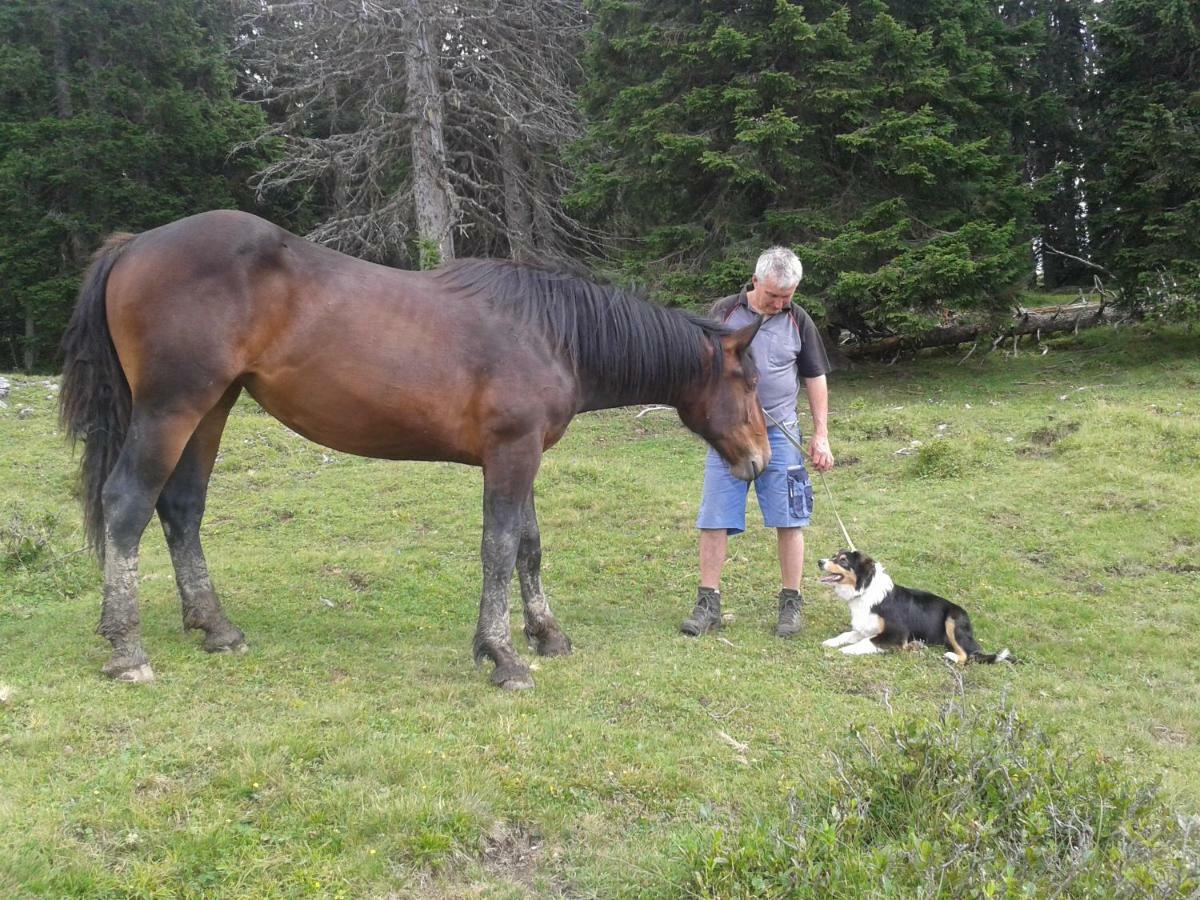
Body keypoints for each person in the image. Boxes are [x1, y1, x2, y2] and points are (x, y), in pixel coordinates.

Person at [681, 247, 834, 638]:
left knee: (790, 518)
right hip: (732, 434)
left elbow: (815, 377)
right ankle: (707, 603)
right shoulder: (724, 312)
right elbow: (698, 364)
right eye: (773, 296)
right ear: (754, 282)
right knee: (714, 516)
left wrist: (821, 436)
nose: (781, 304)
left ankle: (791, 603)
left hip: (781, 434)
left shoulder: (798, 320)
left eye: (788, 296)